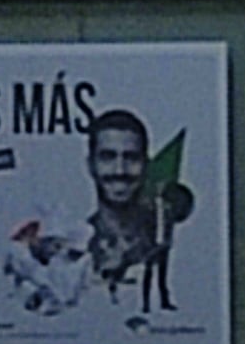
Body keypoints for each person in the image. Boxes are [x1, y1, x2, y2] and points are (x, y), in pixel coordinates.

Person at [78, 106, 190, 317]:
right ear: (90, 165)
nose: (120, 170)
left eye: (131, 158)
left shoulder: (156, 242)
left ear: (146, 165)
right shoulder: (74, 245)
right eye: (107, 157)